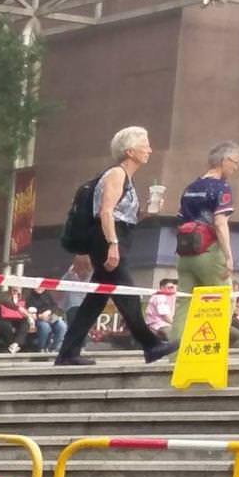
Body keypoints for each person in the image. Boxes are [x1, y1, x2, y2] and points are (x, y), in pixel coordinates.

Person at [55, 126, 168, 367]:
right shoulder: (117, 174)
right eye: (145, 143)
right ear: (130, 151)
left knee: (96, 298)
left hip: (115, 237)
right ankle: (150, 344)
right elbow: (105, 212)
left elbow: (121, 216)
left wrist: (145, 213)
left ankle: (68, 351)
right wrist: (113, 245)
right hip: (107, 239)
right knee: (127, 293)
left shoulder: (126, 177)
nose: (150, 149)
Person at [172, 140, 239, 349]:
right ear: (225, 160)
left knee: (184, 304)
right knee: (220, 302)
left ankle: (175, 354)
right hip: (210, 252)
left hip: (186, 254)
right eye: (235, 162)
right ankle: (209, 352)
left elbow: (180, 220)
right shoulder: (221, 187)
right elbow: (220, 223)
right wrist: (229, 257)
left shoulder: (190, 187)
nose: (236, 168)